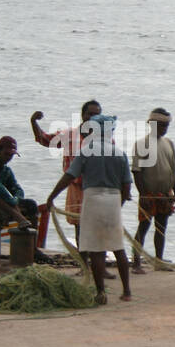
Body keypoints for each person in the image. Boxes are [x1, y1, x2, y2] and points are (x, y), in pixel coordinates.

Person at [44, 114, 133, 304]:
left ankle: (101, 292)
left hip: (92, 199)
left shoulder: (86, 151)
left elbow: (69, 176)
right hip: (113, 200)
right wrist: (119, 204)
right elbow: (127, 187)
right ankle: (127, 291)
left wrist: (52, 196)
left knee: (96, 249)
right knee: (118, 247)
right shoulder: (119, 153)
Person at [30, 99, 100, 242]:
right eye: (89, 114)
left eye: (96, 115)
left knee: (97, 228)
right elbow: (45, 139)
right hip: (76, 187)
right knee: (79, 226)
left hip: (97, 188)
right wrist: (33, 122)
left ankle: (95, 258)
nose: (92, 118)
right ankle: (84, 259)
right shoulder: (70, 135)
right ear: (82, 115)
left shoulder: (104, 139)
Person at [130, 108, 175, 273]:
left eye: (166, 125)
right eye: (161, 125)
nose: (164, 128)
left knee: (161, 227)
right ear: (152, 124)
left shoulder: (169, 143)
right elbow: (136, 171)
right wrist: (142, 193)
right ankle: (136, 262)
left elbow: (174, 170)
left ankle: (159, 260)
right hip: (149, 193)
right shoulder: (141, 144)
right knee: (143, 226)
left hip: (165, 194)